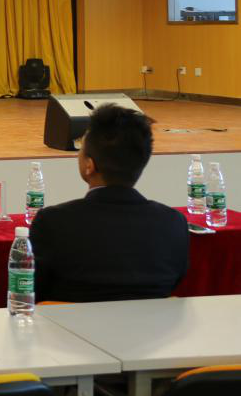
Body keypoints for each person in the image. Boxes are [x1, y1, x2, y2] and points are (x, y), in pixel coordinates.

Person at [30, 104, 189, 303]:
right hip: (150, 323)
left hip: (70, 323)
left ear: (89, 166)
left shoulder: (52, 221)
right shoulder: (174, 223)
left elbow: (30, 292)